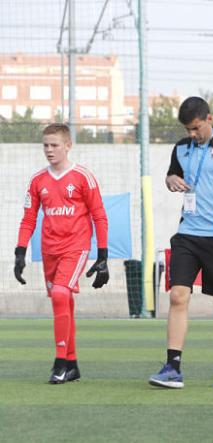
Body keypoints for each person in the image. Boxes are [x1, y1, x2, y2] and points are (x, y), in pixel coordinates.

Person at [149, 97, 213, 389]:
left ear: (209, 118)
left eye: (195, 128)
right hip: (187, 235)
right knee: (178, 296)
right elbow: (173, 175)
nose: (191, 134)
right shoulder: (181, 148)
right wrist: (170, 179)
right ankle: (172, 366)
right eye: (187, 129)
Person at [14, 123, 109, 384]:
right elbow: (28, 218)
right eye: (45, 145)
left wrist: (102, 255)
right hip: (49, 250)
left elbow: (99, 215)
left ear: (68, 145)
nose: (49, 150)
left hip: (76, 247)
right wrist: (20, 251)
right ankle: (73, 364)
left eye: (54, 145)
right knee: (62, 301)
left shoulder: (83, 177)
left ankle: (59, 362)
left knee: (59, 292)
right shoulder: (37, 180)